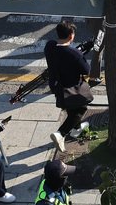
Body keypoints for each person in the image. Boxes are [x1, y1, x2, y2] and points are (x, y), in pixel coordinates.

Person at [44, 21, 92, 149]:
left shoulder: (49, 46)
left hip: (56, 85)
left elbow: (63, 53)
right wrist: (81, 55)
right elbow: (86, 70)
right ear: (71, 36)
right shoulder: (75, 55)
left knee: (72, 109)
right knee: (81, 108)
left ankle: (76, 129)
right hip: (71, 88)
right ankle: (61, 133)